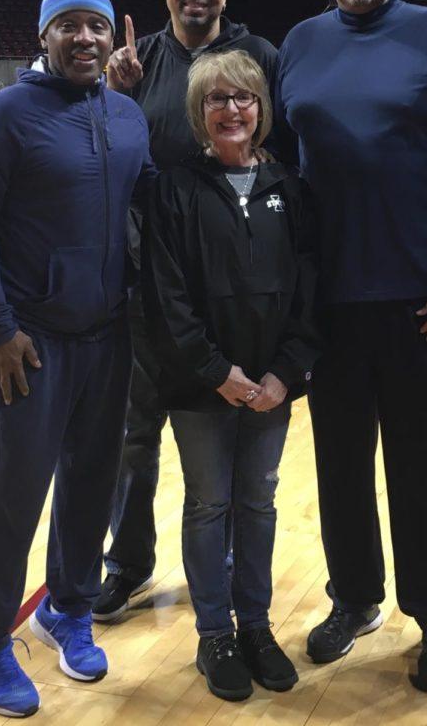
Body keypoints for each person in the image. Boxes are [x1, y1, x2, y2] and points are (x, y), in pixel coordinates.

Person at [274, 0, 427, 693]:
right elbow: (282, 170)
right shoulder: (297, 46)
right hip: (328, 302)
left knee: (424, 468)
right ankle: (355, 598)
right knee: (340, 468)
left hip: (417, 299)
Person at [0, 0, 155, 718]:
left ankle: (68, 608)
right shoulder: (5, 116)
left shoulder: (127, 115)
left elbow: (152, 207)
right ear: (44, 35)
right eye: (69, 25)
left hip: (109, 338)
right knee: (9, 497)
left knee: (93, 485)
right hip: (28, 346)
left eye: (96, 27)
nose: (86, 39)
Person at [95, 0, 278, 622]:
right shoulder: (136, 67)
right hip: (150, 285)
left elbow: (277, 162)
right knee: (135, 437)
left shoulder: (258, 59)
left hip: (232, 289)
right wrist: (115, 95)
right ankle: (127, 565)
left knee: (229, 437)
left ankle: (226, 564)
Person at [141, 50, 320, 701]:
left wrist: (284, 372)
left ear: (260, 109)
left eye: (243, 97)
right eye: (217, 98)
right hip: (201, 389)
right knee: (209, 504)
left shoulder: (290, 190)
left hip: (272, 388)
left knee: (258, 504)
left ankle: (256, 628)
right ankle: (214, 634)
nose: (232, 109)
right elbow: (168, 296)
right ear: (200, 111)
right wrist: (219, 373)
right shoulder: (174, 190)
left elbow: (309, 288)